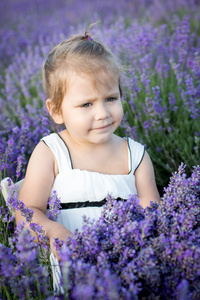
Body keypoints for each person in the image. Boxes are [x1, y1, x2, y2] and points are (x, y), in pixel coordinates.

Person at [16, 25, 160, 277]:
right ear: (56, 111)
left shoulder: (135, 156)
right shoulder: (51, 153)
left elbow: (154, 218)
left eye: (111, 98)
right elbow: (26, 213)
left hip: (128, 270)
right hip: (70, 272)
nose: (102, 113)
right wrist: (52, 231)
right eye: (86, 104)